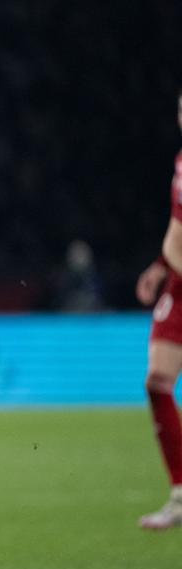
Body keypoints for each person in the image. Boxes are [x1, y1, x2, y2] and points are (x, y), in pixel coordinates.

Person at [136, 90, 182, 530]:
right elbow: (177, 227)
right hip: (179, 285)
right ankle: (180, 493)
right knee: (157, 381)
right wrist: (159, 265)